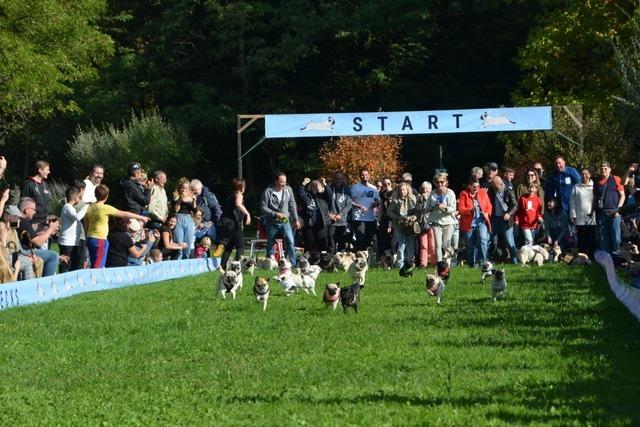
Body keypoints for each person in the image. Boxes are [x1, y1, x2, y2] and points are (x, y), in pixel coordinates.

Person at [85, 184, 149, 268]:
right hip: (99, 239)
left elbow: (86, 225)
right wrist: (141, 217)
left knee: (93, 262)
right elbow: (124, 214)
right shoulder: (105, 208)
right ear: (107, 196)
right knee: (98, 266)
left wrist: (87, 236)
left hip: (90, 238)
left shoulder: (89, 207)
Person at [259, 172, 300, 266]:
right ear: (276, 181)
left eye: (285, 182)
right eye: (281, 182)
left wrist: (296, 219)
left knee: (290, 240)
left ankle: (293, 264)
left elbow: (292, 205)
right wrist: (275, 214)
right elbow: (263, 207)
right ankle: (270, 264)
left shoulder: (288, 190)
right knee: (271, 243)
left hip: (285, 221)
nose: (283, 184)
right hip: (271, 221)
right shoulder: (268, 191)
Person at [16, 197, 59, 276]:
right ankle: (47, 285)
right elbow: (38, 242)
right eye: (34, 209)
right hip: (24, 252)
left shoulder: (17, 219)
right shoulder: (23, 221)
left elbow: (33, 237)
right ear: (26, 210)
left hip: (21, 251)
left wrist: (45, 230)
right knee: (53, 256)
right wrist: (51, 229)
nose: (35, 212)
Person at [458, 177, 492, 267]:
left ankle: (482, 262)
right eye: (474, 187)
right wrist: (470, 210)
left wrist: (487, 213)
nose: (476, 188)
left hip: (481, 221)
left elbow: (489, 205)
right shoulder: (464, 194)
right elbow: (461, 209)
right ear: (469, 186)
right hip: (469, 223)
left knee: (483, 239)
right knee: (469, 245)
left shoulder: (483, 193)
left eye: (478, 186)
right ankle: (472, 264)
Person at [593, 161, 625, 254]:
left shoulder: (616, 179)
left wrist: (618, 210)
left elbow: (622, 195)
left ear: (610, 169)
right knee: (603, 238)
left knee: (616, 237)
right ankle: (607, 259)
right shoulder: (597, 181)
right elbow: (595, 197)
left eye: (605, 168)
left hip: (614, 212)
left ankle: (619, 260)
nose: (603, 170)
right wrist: (593, 211)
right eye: (601, 169)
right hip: (601, 213)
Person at [424, 172, 457, 262]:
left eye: (442, 182)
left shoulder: (450, 193)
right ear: (435, 183)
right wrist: (433, 207)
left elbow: (453, 208)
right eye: (437, 182)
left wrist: (444, 207)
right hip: (436, 222)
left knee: (445, 245)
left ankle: (452, 254)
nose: (440, 184)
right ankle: (440, 265)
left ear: (446, 182)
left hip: (449, 222)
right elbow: (427, 207)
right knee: (438, 245)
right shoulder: (432, 193)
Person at [218, 178, 251, 268]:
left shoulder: (230, 196)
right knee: (240, 246)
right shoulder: (239, 195)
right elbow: (238, 204)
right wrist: (247, 214)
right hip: (233, 224)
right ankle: (238, 266)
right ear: (241, 187)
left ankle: (222, 267)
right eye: (244, 186)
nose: (245, 187)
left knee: (229, 247)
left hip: (226, 223)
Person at [387, 182, 418, 268]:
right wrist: (397, 217)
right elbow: (389, 211)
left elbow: (417, 212)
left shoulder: (413, 199)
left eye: (404, 189)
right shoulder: (395, 200)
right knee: (401, 245)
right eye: (400, 190)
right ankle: (400, 264)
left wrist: (413, 217)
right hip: (399, 225)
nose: (402, 191)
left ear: (407, 190)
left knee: (410, 244)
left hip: (410, 225)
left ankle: (411, 263)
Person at [58, 186, 89, 273]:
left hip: (72, 241)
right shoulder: (68, 207)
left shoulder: (69, 207)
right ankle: (62, 282)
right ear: (75, 198)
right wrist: (85, 208)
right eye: (79, 197)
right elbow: (78, 217)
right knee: (65, 264)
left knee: (72, 264)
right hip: (67, 242)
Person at [298, 177, 333, 253]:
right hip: (310, 224)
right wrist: (303, 184)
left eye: (316, 186)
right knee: (309, 243)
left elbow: (330, 193)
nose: (315, 187)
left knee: (322, 244)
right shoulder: (307, 196)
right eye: (313, 186)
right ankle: (307, 262)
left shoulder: (323, 196)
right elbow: (300, 193)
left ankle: (323, 262)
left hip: (322, 224)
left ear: (320, 187)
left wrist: (324, 184)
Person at [488, 176, 518, 264]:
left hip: (506, 220)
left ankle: (514, 260)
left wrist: (509, 213)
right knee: (488, 239)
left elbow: (515, 205)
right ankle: (485, 260)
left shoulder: (509, 191)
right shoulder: (491, 191)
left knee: (509, 241)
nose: (493, 187)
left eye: (495, 185)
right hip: (495, 219)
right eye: (492, 185)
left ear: (501, 184)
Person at [349, 169, 379, 251]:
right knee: (360, 238)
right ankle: (359, 256)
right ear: (360, 176)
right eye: (362, 175)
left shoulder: (373, 188)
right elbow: (350, 201)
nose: (364, 176)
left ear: (369, 176)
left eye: (366, 174)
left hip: (370, 217)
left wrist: (375, 204)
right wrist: (359, 206)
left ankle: (367, 258)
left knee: (368, 239)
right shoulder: (355, 187)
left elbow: (377, 201)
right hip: (358, 217)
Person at [570, 166, 596, 258]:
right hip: (580, 218)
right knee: (581, 239)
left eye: (586, 174)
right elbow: (572, 202)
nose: (584, 176)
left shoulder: (594, 186)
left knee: (591, 239)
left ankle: (591, 257)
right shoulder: (576, 187)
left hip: (591, 218)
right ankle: (582, 257)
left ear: (590, 175)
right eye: (582, 174)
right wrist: (573, 214)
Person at [20, 160, 52, 231]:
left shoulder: (45, 184)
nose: (49, 172)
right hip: (33, 223)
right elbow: (23, 204)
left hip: (44, 223)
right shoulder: (28, 184)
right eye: (47, 169)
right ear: (40, 170)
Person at [172, 177, 196, 259]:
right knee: (179, 241)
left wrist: (194, 200)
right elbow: (176, 210)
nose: (184, 190)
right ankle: (178, 259)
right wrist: (180, 200)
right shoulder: (176, 196)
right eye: (182, 188)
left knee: (188, 241)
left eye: (186, 188)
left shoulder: (191, 196)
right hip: (179, 218)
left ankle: (186, 258)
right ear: (179, 188)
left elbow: (194, 209)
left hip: (188, 218)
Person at [328, 172, 352, 253]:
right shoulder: (329, 188)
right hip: (331, 221)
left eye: (340, 178)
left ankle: (341, 262)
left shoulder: (347, 189)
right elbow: (323, 204)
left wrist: (340, 215)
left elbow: (349, 204)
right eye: (337, 178)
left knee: (342, 243)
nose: (338, 180)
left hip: (342, 221)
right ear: (333, 179)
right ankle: (331, 261)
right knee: (331, 243)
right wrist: (329, 214)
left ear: (343, 179)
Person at [416, 181, 436, 267]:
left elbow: (432, 209)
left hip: (432, 223)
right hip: (422, 224)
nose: (426, 190)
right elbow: (417, 209)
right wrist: (422, 200)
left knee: (432, 245)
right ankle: (423, 263)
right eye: (424, 188)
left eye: (427, 188)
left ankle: (434, 262)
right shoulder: (419, 198)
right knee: (423, 245)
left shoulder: (434, 197)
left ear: (430, 189)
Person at [377, 178, 394, 257]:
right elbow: (380, 208)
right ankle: (384, 258)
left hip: (394, 219)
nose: (387, 185)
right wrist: (378, 220)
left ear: (391, 184)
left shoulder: (395, 193)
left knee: (393, 240)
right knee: (384, 239)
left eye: (388, 183)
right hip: (384, 218)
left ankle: (394, 256)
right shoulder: (382, 193)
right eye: (385, 184)